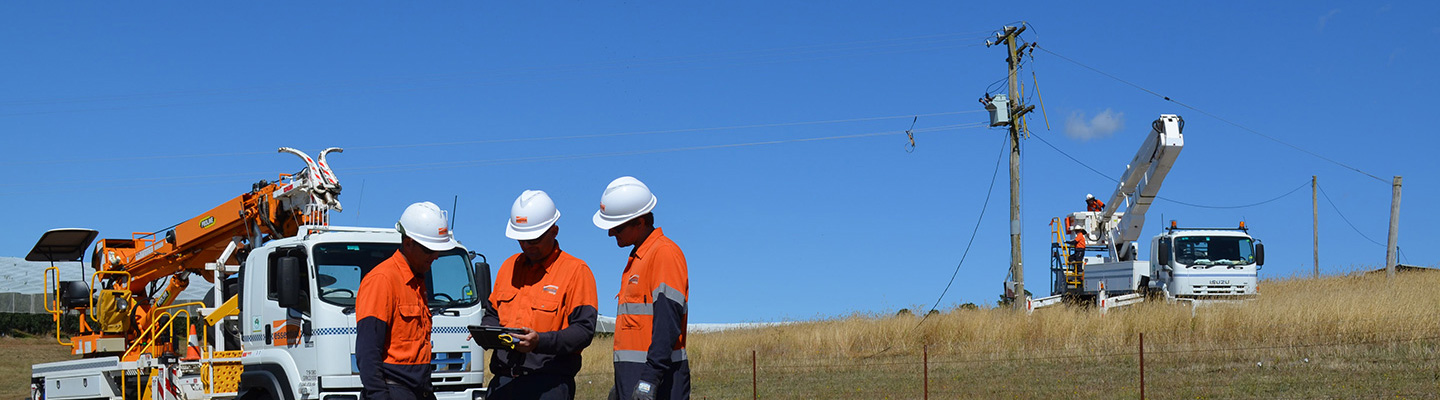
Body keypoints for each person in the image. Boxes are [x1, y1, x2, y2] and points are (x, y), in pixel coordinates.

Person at [484, 190, 599, 400]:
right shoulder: (508, 267)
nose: (527, 245)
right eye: (522, 239)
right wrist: (488, 332)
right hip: (502, 383)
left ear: (554, 231)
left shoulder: (576, 271)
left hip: (548, 386)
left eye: (534, 239)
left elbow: (583, 331)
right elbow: (492, 313)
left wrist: (540, 342)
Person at [593, 176, 690, 400]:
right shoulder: (638, 259)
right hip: (634, 383)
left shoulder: (664, 254)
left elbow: (667, 323)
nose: (611, 233)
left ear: (640, 222)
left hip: (659, 386)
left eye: (617, 228)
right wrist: (621, 385)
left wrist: (649, 380)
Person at [357, 202, 459, 400]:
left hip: (420, 391)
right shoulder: (382, 280)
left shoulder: (417, 282)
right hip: (393, 391)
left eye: (439, 250)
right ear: (409, 242)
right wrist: (379, 396)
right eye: (430, 250)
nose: (436, 256)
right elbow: (367, 351)